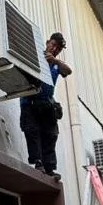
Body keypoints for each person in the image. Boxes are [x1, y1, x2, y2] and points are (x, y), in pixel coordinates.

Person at [19, 32, 71, 180]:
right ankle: (38, 162)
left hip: (47, 104)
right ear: (47, 42)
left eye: (58, 48)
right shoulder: (35, 55)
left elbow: (68, 71)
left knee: (51, 134)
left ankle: (49, 168)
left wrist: (56, 61)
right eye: (53, 45)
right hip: (30, 102)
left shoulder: (56, 64)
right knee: (32, 131)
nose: (54, 49)